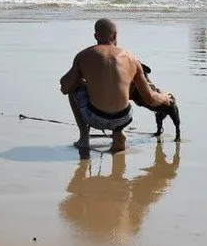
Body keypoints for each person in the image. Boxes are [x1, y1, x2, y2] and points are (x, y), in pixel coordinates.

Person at [59, 18, 172, 155]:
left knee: (74, 90)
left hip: (95, 118)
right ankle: (118, 133)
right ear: (115, 35)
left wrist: (82, 80)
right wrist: (165, 98)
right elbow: (150, 99)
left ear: (95, 36)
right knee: (126, 85)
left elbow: (65, 88)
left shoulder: (83, 56)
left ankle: (84, 137)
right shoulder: (131, 58)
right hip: (124, 118)